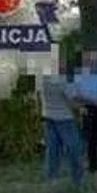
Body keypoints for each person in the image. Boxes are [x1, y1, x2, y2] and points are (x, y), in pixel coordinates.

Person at [38, 53, 84, 186]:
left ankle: (52, 178)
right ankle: (78, 180)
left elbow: (39, 98)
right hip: (65, 119)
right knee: (74, 149)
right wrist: (83, 108)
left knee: (52, 150)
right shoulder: (62, 80)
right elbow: (73, 101)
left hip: (48, 118)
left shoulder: (42, 79)